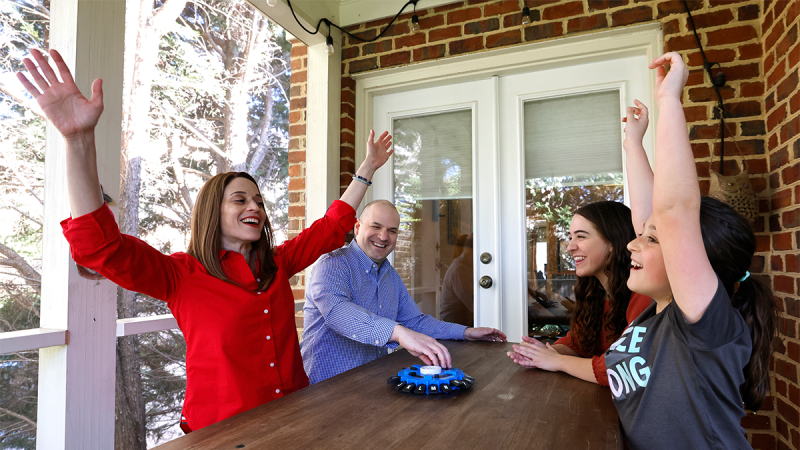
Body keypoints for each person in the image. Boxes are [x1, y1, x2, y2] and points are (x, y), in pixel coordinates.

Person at [17, 49, 394, 431]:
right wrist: (78, 141)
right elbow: (101, 248)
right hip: (219, 434)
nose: (255, 207)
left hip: (291, 422)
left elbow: (330, 227)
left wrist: (366, 169)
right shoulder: (180, 275)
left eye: (259, 201)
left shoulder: (276, 263)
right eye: (241, 199)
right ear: (214, 211)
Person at [603, 52, 776, 449]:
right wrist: (632, 142)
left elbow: (674, 212)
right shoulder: (658, 312)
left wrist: (669, 101)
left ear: (697, 264)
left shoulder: (705, 324)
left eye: (652, 239)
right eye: (643, 234)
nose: (633, 242)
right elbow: (652, 214)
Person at [300, 200, 507, 384]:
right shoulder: (332, 264)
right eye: (376, 226)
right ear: (357, 227)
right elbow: (339, 313)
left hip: (372, 383)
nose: (383, 236)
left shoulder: (390, 276)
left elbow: (416, 322)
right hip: (326, 389)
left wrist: (465, 332)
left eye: (392, 230)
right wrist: (398, 333)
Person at [507, 201, 650, 385]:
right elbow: (579, 343)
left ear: (614, 242)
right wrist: (545, 353)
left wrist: (557, 361)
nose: (570, 247)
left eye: (581, 237)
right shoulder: (594, 291)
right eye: (570, 237)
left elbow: (622, 369)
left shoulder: (643, 296)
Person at [440, 233, 474, 326]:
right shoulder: (459, 269)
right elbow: (473, 305)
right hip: (454, 330)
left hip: (464, 326)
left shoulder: (468, 266)